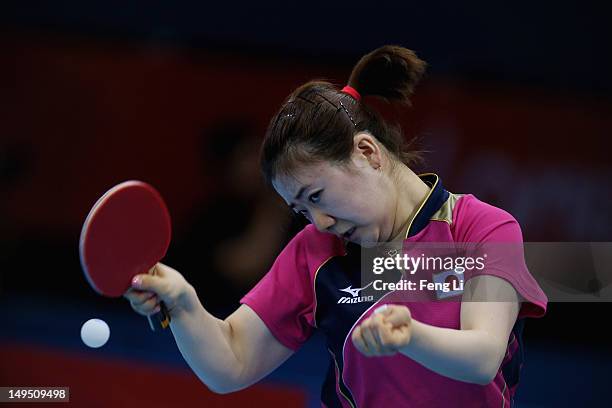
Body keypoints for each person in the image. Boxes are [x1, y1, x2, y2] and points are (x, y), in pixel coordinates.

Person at [124, 45, 548, 407]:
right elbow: (232, 362)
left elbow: (482, 356)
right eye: (302, 211)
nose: (320, 221)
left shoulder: (481, 228)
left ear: (366, 152)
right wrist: (184, 305)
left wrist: (409, 335)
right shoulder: (317, 251)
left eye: (316, 196)